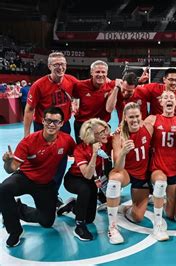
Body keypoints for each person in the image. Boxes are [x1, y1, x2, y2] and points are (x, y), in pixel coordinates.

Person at [0, 107, 75, 247]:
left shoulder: (67, 141)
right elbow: (11, 169)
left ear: (61, 123)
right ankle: (14, 231)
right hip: (25, 178)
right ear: (42, 121)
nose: (51, 124)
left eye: (55, 121)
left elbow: (78, 154)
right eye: (48, 120)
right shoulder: (29, 141)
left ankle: (18, 209)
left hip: (46, 184)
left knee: (47, 222)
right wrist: (7, 161)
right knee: (4, 189)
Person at [106, 102, 169, 244]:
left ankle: (125, 209)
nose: (134, 120)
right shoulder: (118, 135)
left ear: (141, 116)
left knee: (138, 217)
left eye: (137, 116)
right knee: (114, 179)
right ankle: (112, 228)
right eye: (131, 117)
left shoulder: (148, 127)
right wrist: (123, 153)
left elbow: (169, 121)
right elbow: (117, 167)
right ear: (125, 118)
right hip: (126, 172)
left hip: (143, 174)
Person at [23, 52, 78, 206]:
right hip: (43, 127)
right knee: (42, 160)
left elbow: (87, 87)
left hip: (63, 125)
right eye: (56, 65)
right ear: (49, 67)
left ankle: (52, 192)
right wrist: (27, 135)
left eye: (62, 64)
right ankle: (42, 191)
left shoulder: (71, 81)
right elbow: (29, 109)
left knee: (61, 160)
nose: (60, 67)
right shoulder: (39, 85)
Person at [58, 118, 112, 241]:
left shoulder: (106, 142)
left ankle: (72, 206)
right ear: (92, 135)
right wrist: (94, 154)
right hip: (74, 179)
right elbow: (87, 175)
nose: (105, 134)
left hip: (91, 180)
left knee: (90, 218)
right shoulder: (80, 150)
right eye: (100, 133)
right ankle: (79, 226)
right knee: (85, 190)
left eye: (105, 130)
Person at [146, 90, 176, 225]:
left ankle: (158, 198)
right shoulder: (152, 119)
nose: (169, 99)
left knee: (171, 214)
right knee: (161, 183)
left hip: (173, 169)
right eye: (165, 97)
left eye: (172, 97)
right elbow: (137, 132)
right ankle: (157, 223)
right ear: (160, 102)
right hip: (157, 167)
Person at [73, 60, 117, 143]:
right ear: (91, 72)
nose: (100, 75)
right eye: (97, 72)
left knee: (102, 153)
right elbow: (70, 92)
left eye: (103, 72)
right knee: (83, 152)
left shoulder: (112, 85)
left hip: (102, 125)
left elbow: (128, 84)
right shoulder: (80, 85)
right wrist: (72, 106)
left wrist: (139, 80)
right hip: (83, 124)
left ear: (107, 73)